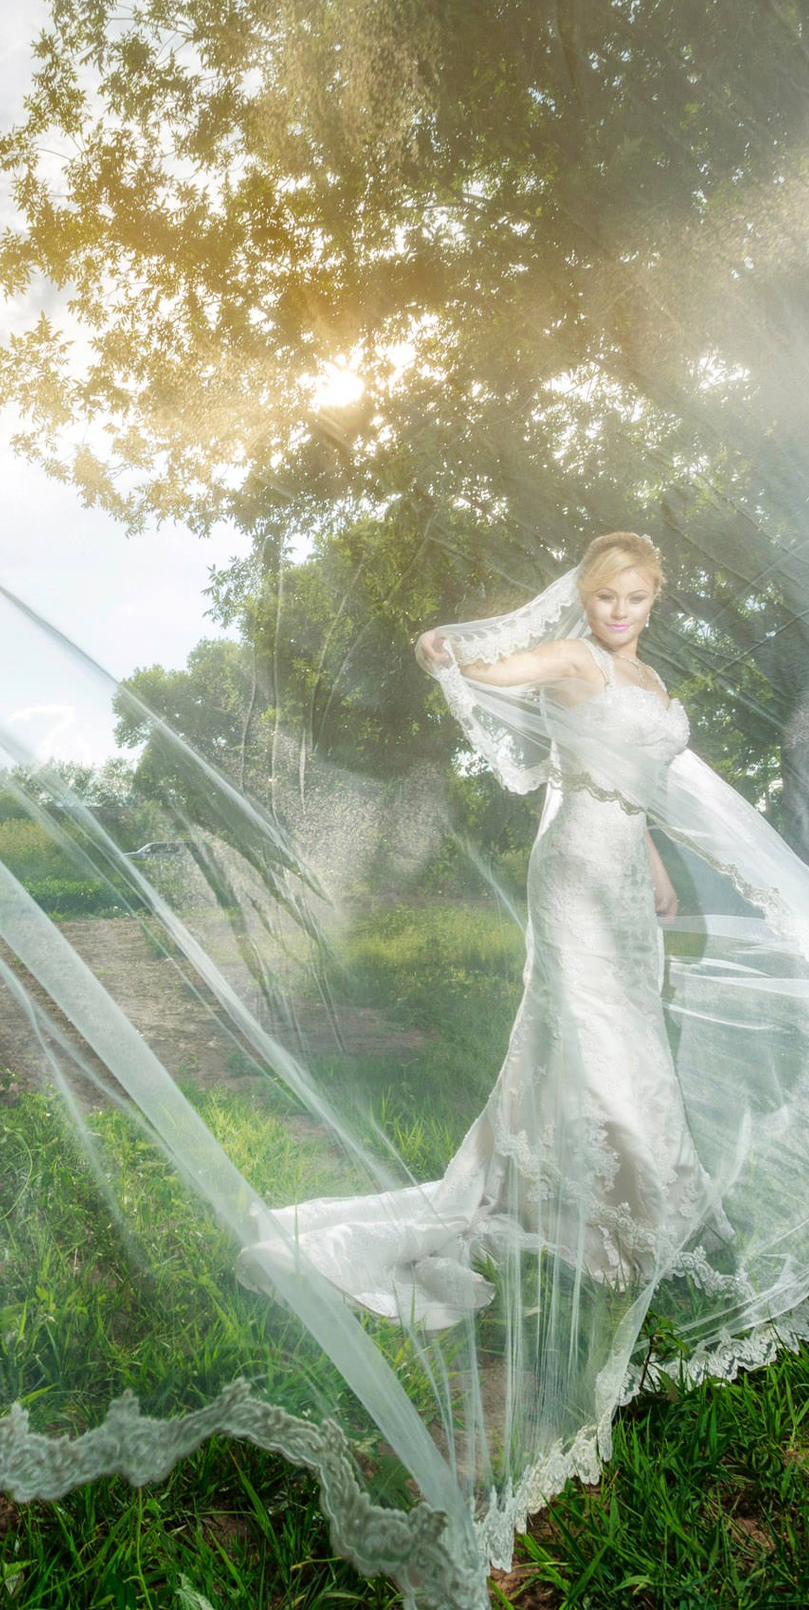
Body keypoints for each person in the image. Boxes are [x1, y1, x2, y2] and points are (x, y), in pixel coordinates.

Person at [241, 533, 709, 1329]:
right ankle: (607, 1218)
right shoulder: (572, 658)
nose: (620, 611)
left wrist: (658, 871)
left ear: (656, 595)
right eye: (605, 596)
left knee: (631, 1029)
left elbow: (637, 785)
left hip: (626, 874)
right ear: (584, 596)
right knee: (591, 1030)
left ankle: (626, 1200)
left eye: (635, 597)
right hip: (571, 872)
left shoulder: (653, 678)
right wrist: (446, 652)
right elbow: (494, 669)